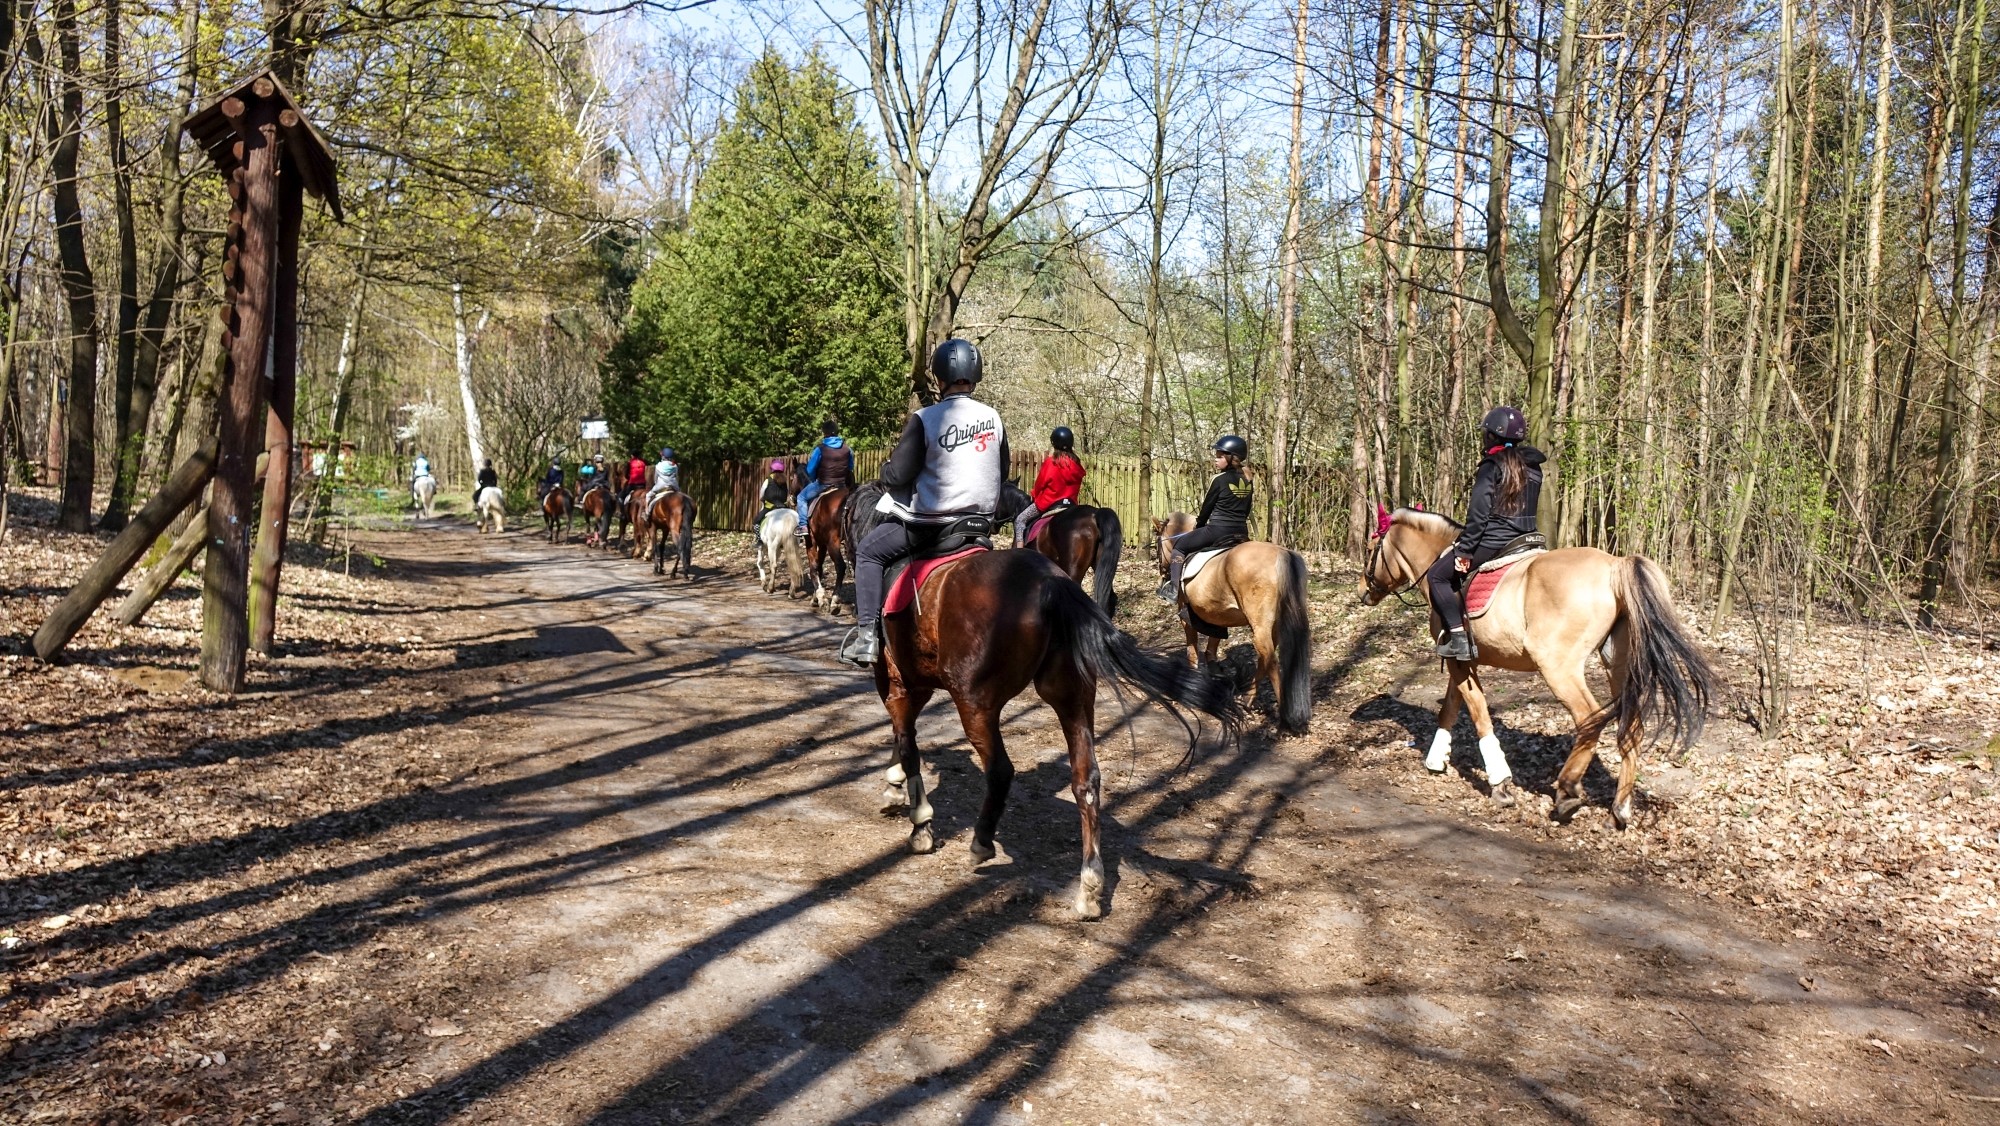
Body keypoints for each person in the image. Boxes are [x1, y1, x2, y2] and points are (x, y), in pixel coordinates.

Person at [840, 339, 1008, 667]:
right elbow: (1003, 470)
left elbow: (899, 474)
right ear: (975, 375)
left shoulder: (926, 418)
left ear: (940, 377)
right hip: (979, 525)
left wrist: (886, 470)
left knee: (869, 553)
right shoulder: (994, 417)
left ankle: (866, 639)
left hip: (931, 526)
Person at [1427, 406, 1546, 661]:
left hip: (1495, 540)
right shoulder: (1535, 467)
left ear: (1491, 436)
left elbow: (1478, 516)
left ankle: (1458, 639)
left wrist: (1466, 550)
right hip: (1528, 539)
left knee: (1437, 575)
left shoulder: (1491, 466)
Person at [1157, 435, 1254, 601]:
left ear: (1231, 458)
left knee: (1179, 547)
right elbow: (1247, 509)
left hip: (1217, 530)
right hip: (1241, 531)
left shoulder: (1218, 479)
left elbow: (1207, 508)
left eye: (1220, 456)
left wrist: (1199, 525)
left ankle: (1173, 590)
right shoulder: (1248, 479)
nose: (1215, 460)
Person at [1012, 426, 1085, 546]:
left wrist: (1034, 495)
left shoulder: (1051, 462)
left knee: (1020, 520)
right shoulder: (1077, 464)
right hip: (1070, 506)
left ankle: (1019, 553)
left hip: (1048, 504)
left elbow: (1040, 484)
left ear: (1054, 442)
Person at [795, 419, 855, 543]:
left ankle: (803, 526)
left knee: (801, 497)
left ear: (824, 433)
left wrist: (813, 479)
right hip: (842, 486)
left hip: (823, 484)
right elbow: (850, 467)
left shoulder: (820, 449)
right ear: (837, 432)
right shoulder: (848, 449)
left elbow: (810, 469)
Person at [757, 459, 791, 538]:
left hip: (770, 507)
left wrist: (762, 499)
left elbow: (762, 493)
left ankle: (758, 540)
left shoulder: (768, 480)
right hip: (783, 506)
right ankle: (796, 537)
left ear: (772, 469)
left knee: (756, 521)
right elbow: (787, 493)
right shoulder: (785, 482)